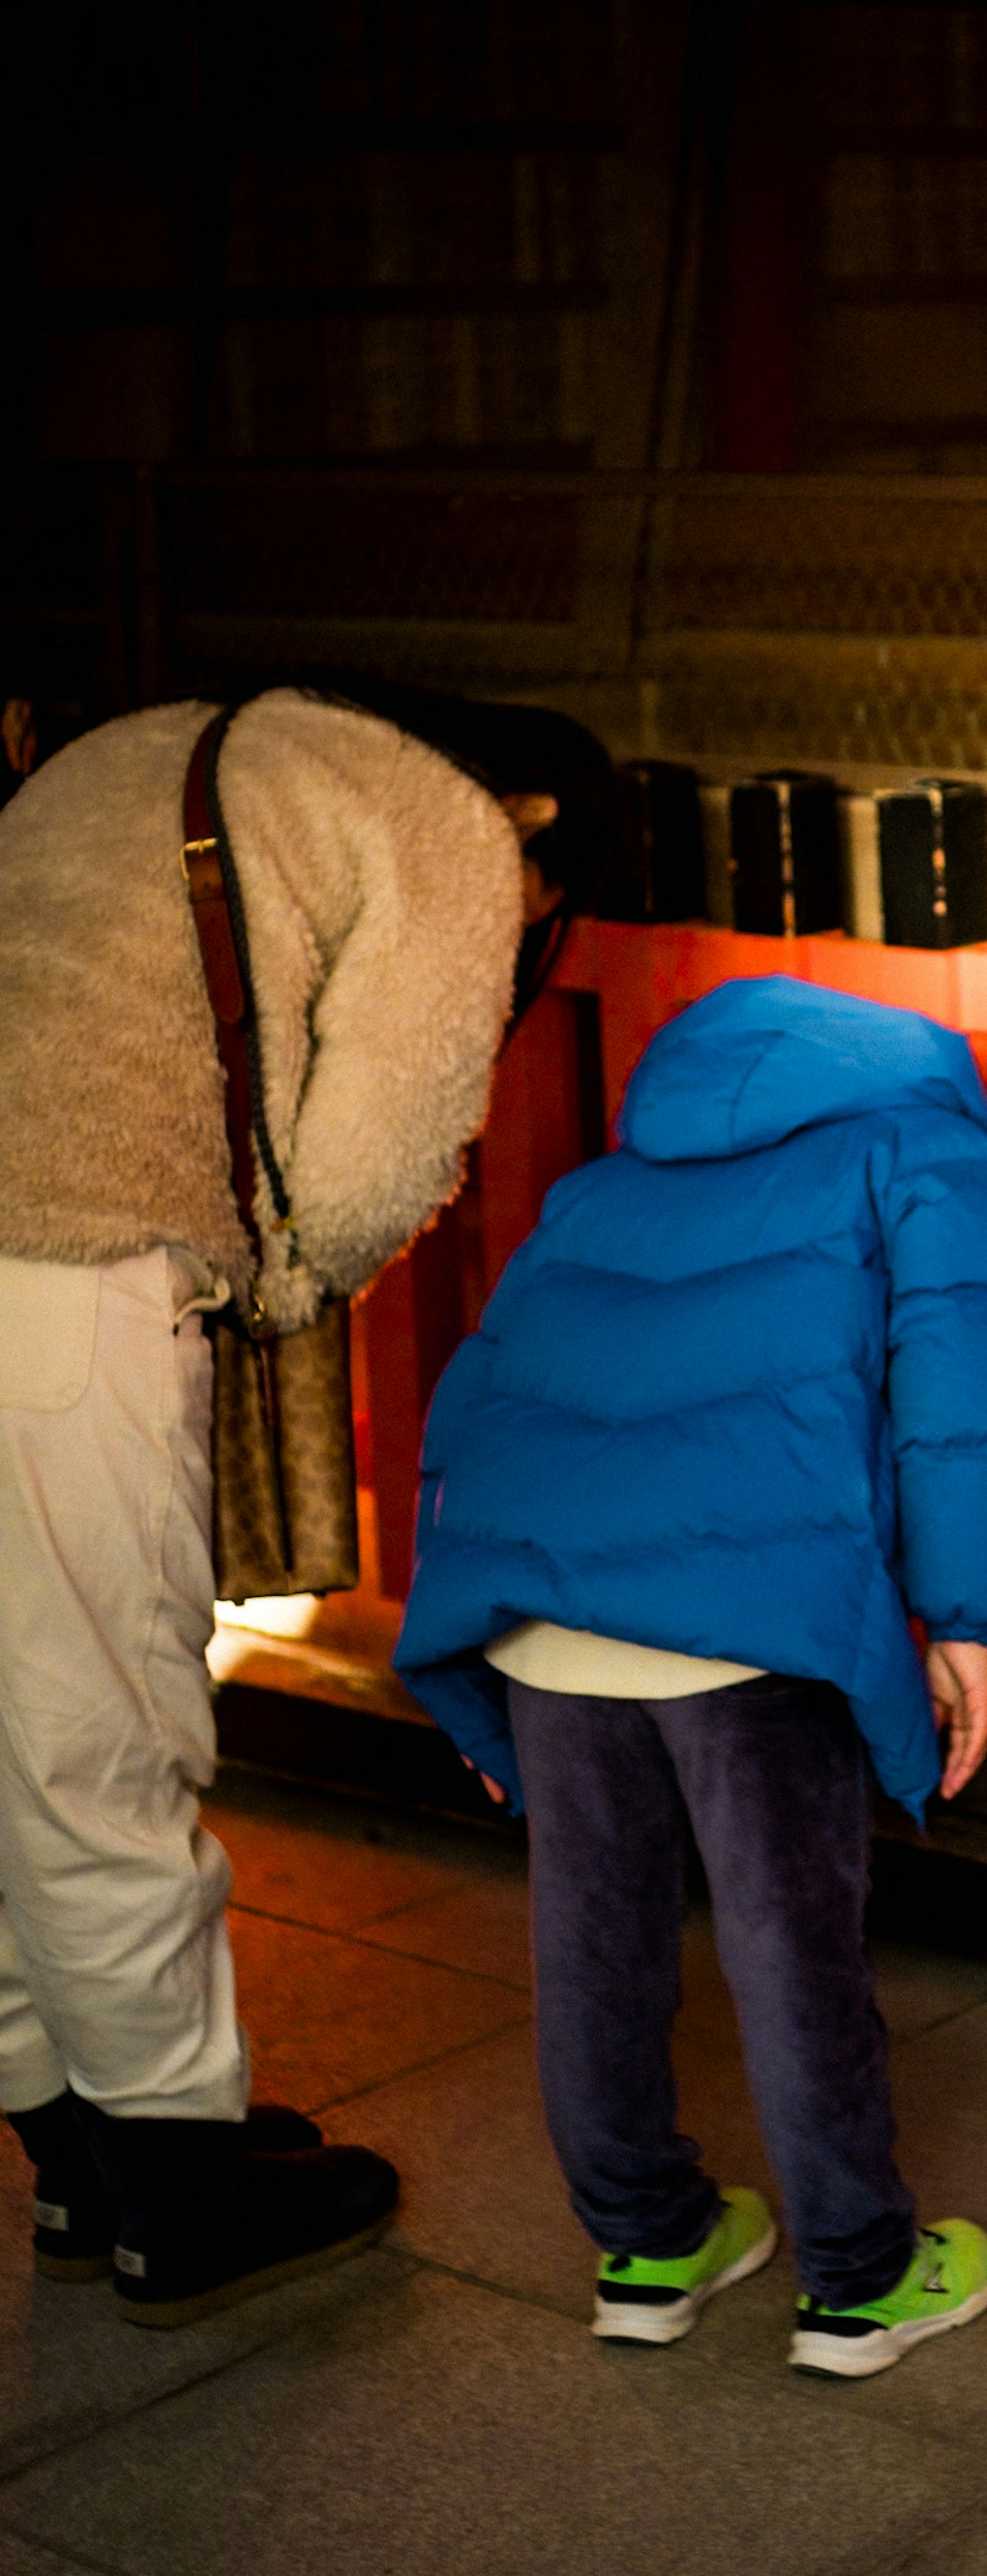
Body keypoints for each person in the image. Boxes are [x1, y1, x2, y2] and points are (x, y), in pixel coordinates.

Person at [0, 681, 615, 2326]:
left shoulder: (123, 747)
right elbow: (369, 1159)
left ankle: (81, 2145)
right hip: (66, 1274)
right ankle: (183, 2197)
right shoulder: (449, 820)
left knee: (4, 1731)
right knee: (103, 1734)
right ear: (536, 826)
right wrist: (279, 1290)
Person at [395, 975, 987, 2375]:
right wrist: (967, 1618)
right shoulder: (923, 1149)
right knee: (788, 1935)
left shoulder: (608, 1183)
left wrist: (469, 1640)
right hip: (757, 1612)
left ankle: (648, 2243)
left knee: (591, 1935)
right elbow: (963, 1388)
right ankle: (861, 2274)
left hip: (553, 1614)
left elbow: (484, 1401)